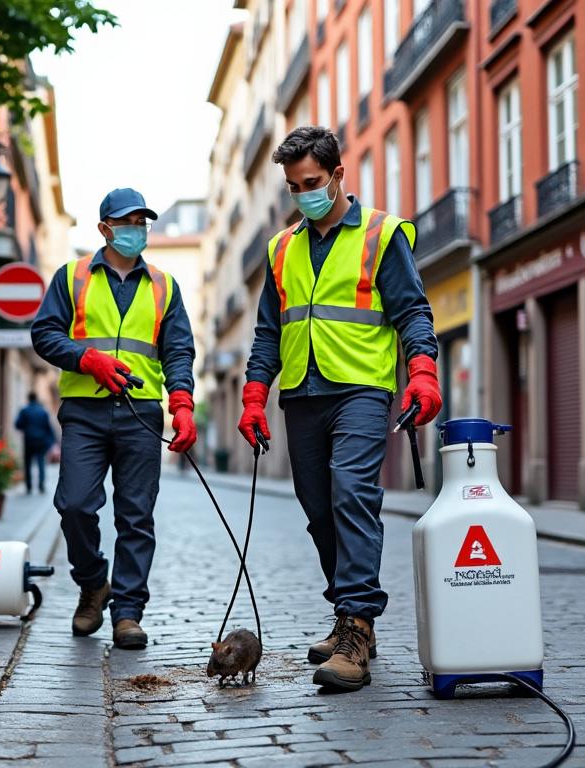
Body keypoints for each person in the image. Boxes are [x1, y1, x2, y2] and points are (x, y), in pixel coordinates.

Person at [239, 127, 442, 692]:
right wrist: (255, 394)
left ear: (337, 175)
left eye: (311, 183)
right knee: (318, 508)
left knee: (352, 493)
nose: (303, 193)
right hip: (301, 394)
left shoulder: (381, 234)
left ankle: (358, 625)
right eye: (293, 186)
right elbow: (265, 333)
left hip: (360, 390)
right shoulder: (283, 248)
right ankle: (346, 612)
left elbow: (413, 312)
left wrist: (421, 371)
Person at [30, 188, 198, 650]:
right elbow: (43, 333)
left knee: (136, 515)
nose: (136, 230)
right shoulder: (73, 277)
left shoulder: (164, 285)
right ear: (104, 228)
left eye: (142, 222)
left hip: (141, 413)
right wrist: (87, 359)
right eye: (127, 223)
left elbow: (178, 349)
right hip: (85, 410)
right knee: (76, 505)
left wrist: (182, 403)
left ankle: (127, 613)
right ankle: (92, 583)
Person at [14, 392, 56, 494]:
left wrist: (26, 427)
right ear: (36, 399)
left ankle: (29, 486)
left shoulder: (24, 410)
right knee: (41, 462)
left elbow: (17, 425)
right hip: (41, 441)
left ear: (28, 399)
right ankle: (41, 485)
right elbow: (48, 427)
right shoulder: (43, 411)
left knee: (27, 463)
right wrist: (51, 441)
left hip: (29, 440)